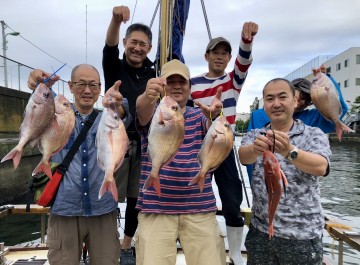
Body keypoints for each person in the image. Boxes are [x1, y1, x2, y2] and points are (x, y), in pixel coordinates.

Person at [27, 64, 132, 265]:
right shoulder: (56, 114)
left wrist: (118, 104)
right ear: (70, 86)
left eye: (93, 85)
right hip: (64, 209)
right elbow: (42, 100)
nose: (87, 90)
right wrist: (37, 82)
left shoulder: (108, 119)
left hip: (103, 209)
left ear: (100, 89)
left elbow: (122, 114)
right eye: (81, 84)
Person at [135, 59, 226, 265]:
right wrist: (146, 95)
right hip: (155, 209)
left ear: (190, 88)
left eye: (182, 82)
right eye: (171, 81)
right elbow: (142, 110)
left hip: (199, 208)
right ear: (162, 86)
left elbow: (217, 139)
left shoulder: (200, 116)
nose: (177, 85)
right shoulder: (156, 112)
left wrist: (215, 117)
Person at [238, 78, 332, 265]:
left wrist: (290, 151)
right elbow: (243, 156)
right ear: (264, 105)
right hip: (261, 232)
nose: (276, 104)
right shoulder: (255, 135)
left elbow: (321, 167)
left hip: (302, 235)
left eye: (283, 97)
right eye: (270, 99)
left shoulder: (313, 134)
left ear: (295, 101)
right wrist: (255, 149)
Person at [189, 21, 258, 265]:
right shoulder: (192, 83)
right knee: (193, 194)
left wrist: (246, 40)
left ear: (229, 57)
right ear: (206, 55)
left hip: (225, 145)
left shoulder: (233, 82)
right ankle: (195, 241)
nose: (219, 57)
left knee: (231, 198)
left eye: (224, 53)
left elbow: (244, 63)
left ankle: (236, 252)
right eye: (215, 53)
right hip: (198, 145)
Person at [102, 6, 156, 264]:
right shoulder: (114, 66)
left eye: (143, 44)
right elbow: (109, 45)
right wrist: (115, 19)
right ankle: (105, 239)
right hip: (115, 138)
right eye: (133, 42)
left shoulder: (155, 73)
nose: (137, 48)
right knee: (108, 190)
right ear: (125, 42)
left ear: (149, 47)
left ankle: (126, 245)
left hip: (145, 143)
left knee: (137, 197)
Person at [246, 65, 348, 184]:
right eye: (300, 96)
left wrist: (327, 81)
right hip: (264, 186)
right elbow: (248, 155)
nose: (302, 102)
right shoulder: (258, 115)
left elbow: (340, 111)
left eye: (308, 99)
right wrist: (254, 181)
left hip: (299, 193)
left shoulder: (313, 118)